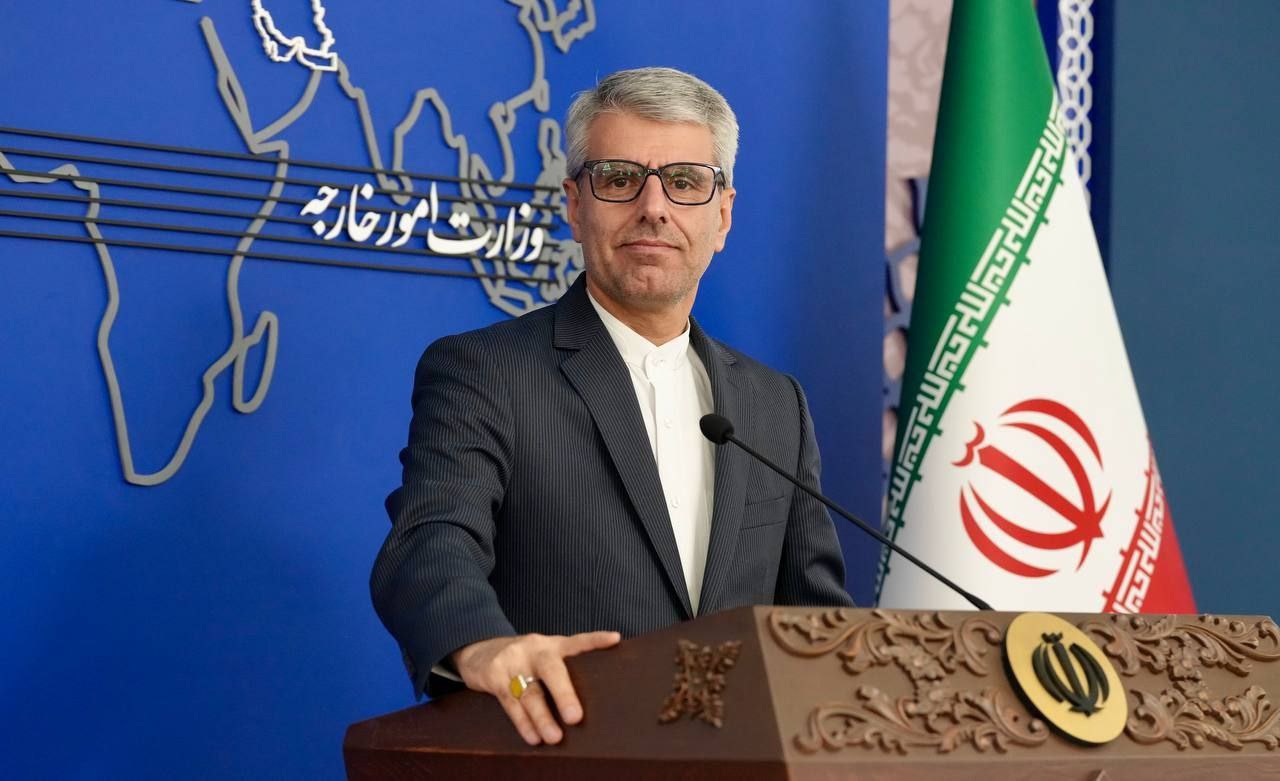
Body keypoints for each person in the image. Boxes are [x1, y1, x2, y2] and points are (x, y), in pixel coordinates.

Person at [370, 66, 853, 747]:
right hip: (560, 752)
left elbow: (816, 627)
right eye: (621, 178)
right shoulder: (486, 372)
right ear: (575, 205)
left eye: (685, 181)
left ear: (722, 216)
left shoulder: (776, 405)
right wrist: (483, 647)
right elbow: (430, 540)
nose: (654, 207)